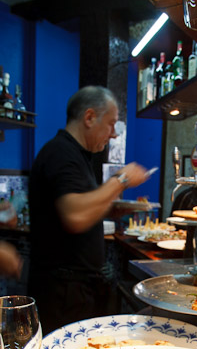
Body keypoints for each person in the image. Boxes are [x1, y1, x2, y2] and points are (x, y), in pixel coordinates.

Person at [27, 86, 148, 335]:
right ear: (90, 117)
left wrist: (109, 209)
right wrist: (121, 180)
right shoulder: (61, 154)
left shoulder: (77, 155)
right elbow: (74, 216)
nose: (114, 134)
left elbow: (84, 206)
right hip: (62, 291)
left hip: (74, 287)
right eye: (112, 124)